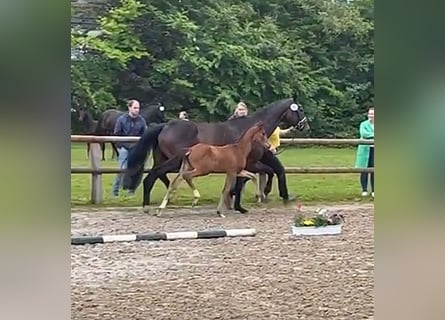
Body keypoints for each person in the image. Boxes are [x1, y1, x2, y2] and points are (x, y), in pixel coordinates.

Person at [112, 99, 147, 197]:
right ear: (129, 108)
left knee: (137, 169)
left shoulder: (142, 120)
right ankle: (115, 191)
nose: (137, 110)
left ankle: (131, 190)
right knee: (122, 169)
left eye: (138, 108)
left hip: (136, 148)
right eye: (135, 108)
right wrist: (120, 146)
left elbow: (145, 134)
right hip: (124, 147)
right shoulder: (121, 119)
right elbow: (117, 134)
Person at [355, 106, 374, 198]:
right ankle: (364, 189)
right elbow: (364, 134)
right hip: (365, 149)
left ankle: (374, 190)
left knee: (374, 169)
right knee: (364, 169)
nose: (371, 116)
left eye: (373, 114)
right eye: (370, 114)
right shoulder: (363, 124)